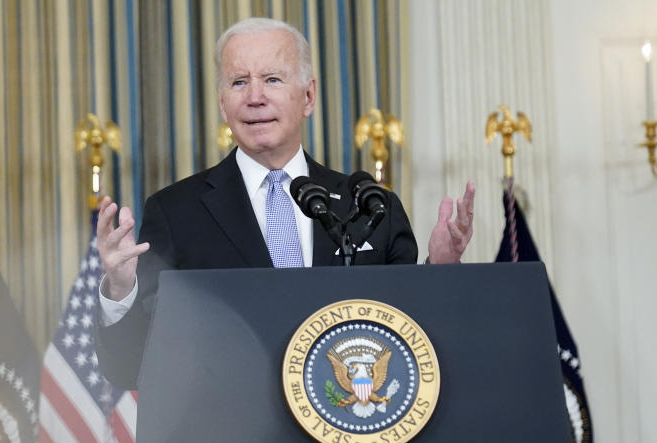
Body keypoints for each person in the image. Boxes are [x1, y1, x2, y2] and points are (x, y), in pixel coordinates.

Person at [96, 17, 474, 389]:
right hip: (232, 441)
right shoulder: (176, 212)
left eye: (272, 80)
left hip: (352, 431)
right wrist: (120, 289)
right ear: (223, 105)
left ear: (308, 96)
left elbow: (413, 347)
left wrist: (441, 270)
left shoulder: (370, 205)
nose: (255, 97)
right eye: (239, 82)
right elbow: (129, 368)